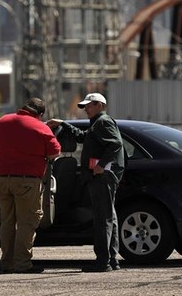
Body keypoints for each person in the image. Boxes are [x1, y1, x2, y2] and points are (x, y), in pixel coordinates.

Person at [47, 93, 124, 272]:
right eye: (85, 106)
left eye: (90, 105)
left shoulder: (103, 122)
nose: (86, 109)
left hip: (102, 176)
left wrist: (102, 165)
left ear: (100, 105)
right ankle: (111, 259)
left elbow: (115, 144)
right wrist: (64, 124)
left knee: (102, 218)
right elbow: (83, 137)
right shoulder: (96, 124)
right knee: (109, 216)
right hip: (103, 176)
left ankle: (103, 261)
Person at [0, 97, 61, 274]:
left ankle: (7, 263)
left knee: (7, 223)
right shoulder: (41, 127)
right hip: (27, 182)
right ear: (40, 114)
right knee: (26, 223)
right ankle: (22, 264)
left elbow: (1, 143)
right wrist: (45, 129)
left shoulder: (1, 122)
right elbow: (55, 153)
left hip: (1, 180)